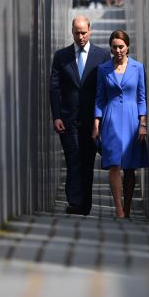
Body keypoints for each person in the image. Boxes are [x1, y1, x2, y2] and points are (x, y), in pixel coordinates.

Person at [50, 16, 111, 216]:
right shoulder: (61, 56)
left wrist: (102, 119)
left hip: (92, 120)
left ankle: (85, 204)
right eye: (77, 32)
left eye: (84, 32)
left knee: (87, 162)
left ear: (90, 31)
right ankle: (74, 202)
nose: (80, 36)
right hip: (68, 119)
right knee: (72, 159)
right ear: (72, 32)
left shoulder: (101, 56)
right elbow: (55, 88)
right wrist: (56, 115)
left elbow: (105, 88)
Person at [92, 30, 149, 218]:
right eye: (114, 47)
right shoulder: (103, 69)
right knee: (114, 164)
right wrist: (96, 123)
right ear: (110, 48)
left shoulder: (137, 68)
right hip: (112, 119)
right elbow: (99, 98)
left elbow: (141, 97)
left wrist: (143, 123)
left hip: (133, 119)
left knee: (130, 166)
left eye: (121, 47)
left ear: (128, 47)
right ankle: (119, 209)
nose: (117, 50)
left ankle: (128, 206)